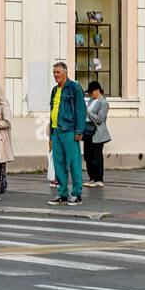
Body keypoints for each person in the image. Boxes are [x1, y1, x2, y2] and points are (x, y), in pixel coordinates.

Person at [47, 62, 86, 206]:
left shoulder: (74, 88)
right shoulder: (54, 90)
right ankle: (62, 194)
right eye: (54, 73)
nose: (55, 75)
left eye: (58, 72)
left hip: (69, 130)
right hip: (56, 131)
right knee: (58, 164)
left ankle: (77, 194)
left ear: (65, 72)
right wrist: (51, 134)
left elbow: (81, 110)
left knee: (73, 162)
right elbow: (52, 111)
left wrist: (79, 131)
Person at [83, 81, 110, 188]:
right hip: (88, 131)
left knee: (96, 156)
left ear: (97, 90)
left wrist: (89, 112)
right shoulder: (91, 100)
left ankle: (99, 179)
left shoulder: (104, 103)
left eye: (91, 92)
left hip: (97, 133)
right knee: (87, 156)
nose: (90, 95)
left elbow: (100, 119)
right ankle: (92, 178)